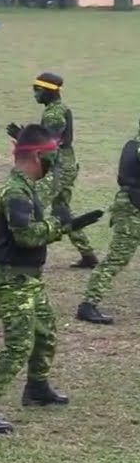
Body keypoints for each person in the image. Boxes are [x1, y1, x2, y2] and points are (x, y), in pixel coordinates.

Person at [0, 125, 104, 434]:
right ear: (37, 156)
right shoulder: (15, 191)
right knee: (18, 346)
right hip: (11, 280)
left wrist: (68, 221)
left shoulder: (27, 186)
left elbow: (54, 186)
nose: (52, 162)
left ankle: (37, 388)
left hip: (28, 278)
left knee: (45, 332)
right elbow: (25, 236)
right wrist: (60, 226)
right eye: (50, 156)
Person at [6, 72, 96, 268]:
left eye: (38, 90)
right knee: (61, 208)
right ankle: (88, 254)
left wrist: (22, 137)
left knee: (34, 204)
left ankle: (24, 253)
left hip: (58, 168)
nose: (35, 95)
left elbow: (50, 145)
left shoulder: (53, 115)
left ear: (50, 91)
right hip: (66, 165)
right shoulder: (60, 108)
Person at [78, 121, 140, 324]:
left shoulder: (133, 143)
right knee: (117, 258)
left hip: (130, 204)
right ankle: (88, 305)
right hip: (133, 209)